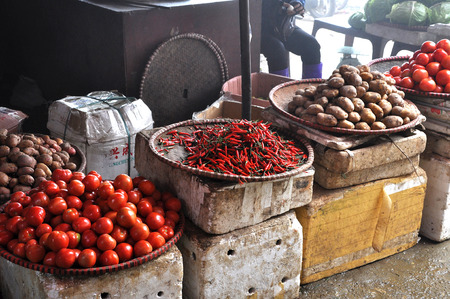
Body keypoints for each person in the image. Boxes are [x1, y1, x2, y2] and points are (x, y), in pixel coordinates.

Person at [261, 0, 323, 79]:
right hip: (258, 30)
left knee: (311, 45)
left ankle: (310, 88)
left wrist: (297, 4)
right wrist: (278, 4)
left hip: (285, 28)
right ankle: (280, 88)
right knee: (277, 50)